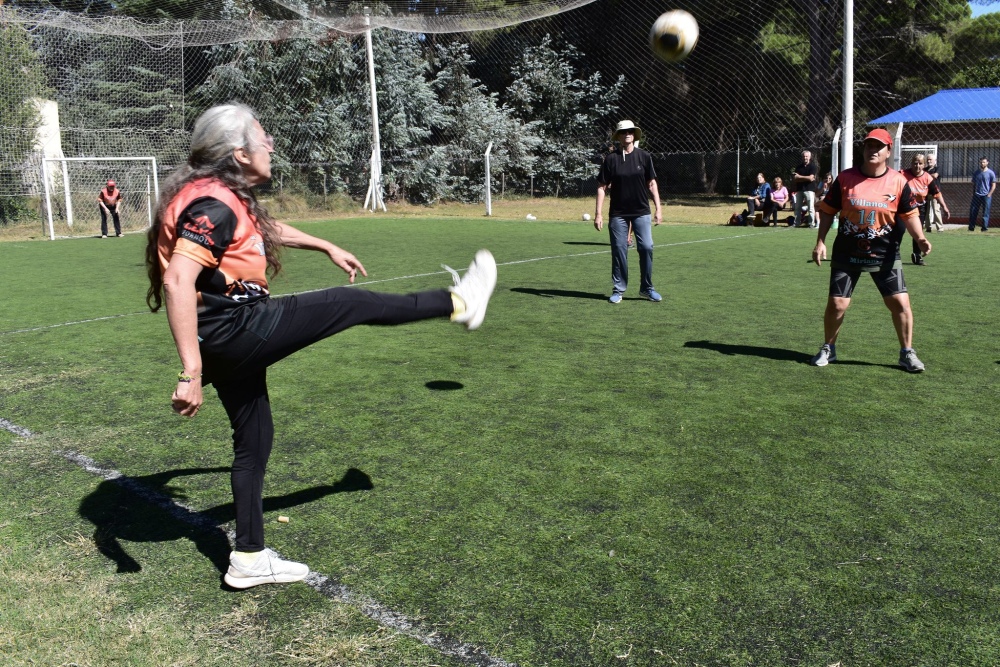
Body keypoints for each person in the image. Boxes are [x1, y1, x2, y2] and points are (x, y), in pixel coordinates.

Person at [144, 104, 497, 589]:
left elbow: (266, 231)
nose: (272, 147)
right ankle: (460, 301)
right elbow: (178, 280)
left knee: (254, 438)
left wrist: (325, 244)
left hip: (223, 338)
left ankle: (247, 558)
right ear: (240, 152)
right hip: (233, 330)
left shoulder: (220, 196)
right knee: (347, 304)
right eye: (264, 139)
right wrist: (189, 372)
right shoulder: (215, 205)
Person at [809, 128, 931, 373]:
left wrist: (920, 238)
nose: (873, 150)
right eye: (868, 146)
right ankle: (828, 348)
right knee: (837, 304)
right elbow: (828, 211)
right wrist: (820, 241)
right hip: (847, 251)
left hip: (884, 252)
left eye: (878, 147)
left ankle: (907, 353)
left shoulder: (898, 181)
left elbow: (909, 214)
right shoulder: (845, 179)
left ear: (888, 151)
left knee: (900, 303)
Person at [594, 119, 663, 303]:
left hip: (641, 211)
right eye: (624, 132)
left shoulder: (644, 156)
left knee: (646, 247)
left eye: (630, 131)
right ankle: (618, 289)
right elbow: (602, 187)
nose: (627, 134)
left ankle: (647, 288)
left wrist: (658, 208)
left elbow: (652, 183)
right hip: (618, 213)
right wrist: (598, 214)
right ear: (619, 136)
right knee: (619, 249)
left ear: (634, 135)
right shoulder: (611, 159)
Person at [903, 153, 951, 265]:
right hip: (903, 207)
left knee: (918, 231)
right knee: (898, 230)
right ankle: (889, 255)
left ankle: (917, 255)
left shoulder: (927, 177)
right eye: (915, 163)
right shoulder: (903, 174)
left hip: (920, 207)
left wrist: (945, 207)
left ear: (924, 165)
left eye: (920, 163)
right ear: (911, 164)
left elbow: (937, 193)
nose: (917, 166)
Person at [968, 157, 996, 231]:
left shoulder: (990, 173)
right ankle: (971, 228)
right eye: (981, 162)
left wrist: (989, 194)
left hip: (986, 196)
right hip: (977, 195)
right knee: (973, 211)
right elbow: (974, 184)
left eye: (984, 162)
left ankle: (984, 228)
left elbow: (993, 185)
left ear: (987, 163)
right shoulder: (976, 173)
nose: (982, 163)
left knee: (985, 213)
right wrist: (973, 193)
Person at [792, 150, 818, 227]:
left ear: (809, 157)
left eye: (806, 156)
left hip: (809, 189)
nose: (805, 158)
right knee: (797, 208)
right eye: (804, 156)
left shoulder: (813, 167)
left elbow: (811, 178)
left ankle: (811, 223)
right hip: (799, 189)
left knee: (810, 208)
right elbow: (795, 178)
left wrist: (800, 177)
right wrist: (806, 178)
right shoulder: (798, 167)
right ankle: (796, 223)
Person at [925, 154, 945, 232]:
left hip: (935, 193)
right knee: (926, 211)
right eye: (928, 159)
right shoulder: (924, 169)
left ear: (935, 161)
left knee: (936, 210)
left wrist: (926, 176)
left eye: (930, 159)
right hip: (926, 193)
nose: (929, 161)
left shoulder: (938, 168)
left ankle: (940, 228)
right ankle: (928, 227)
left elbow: (935, 175)